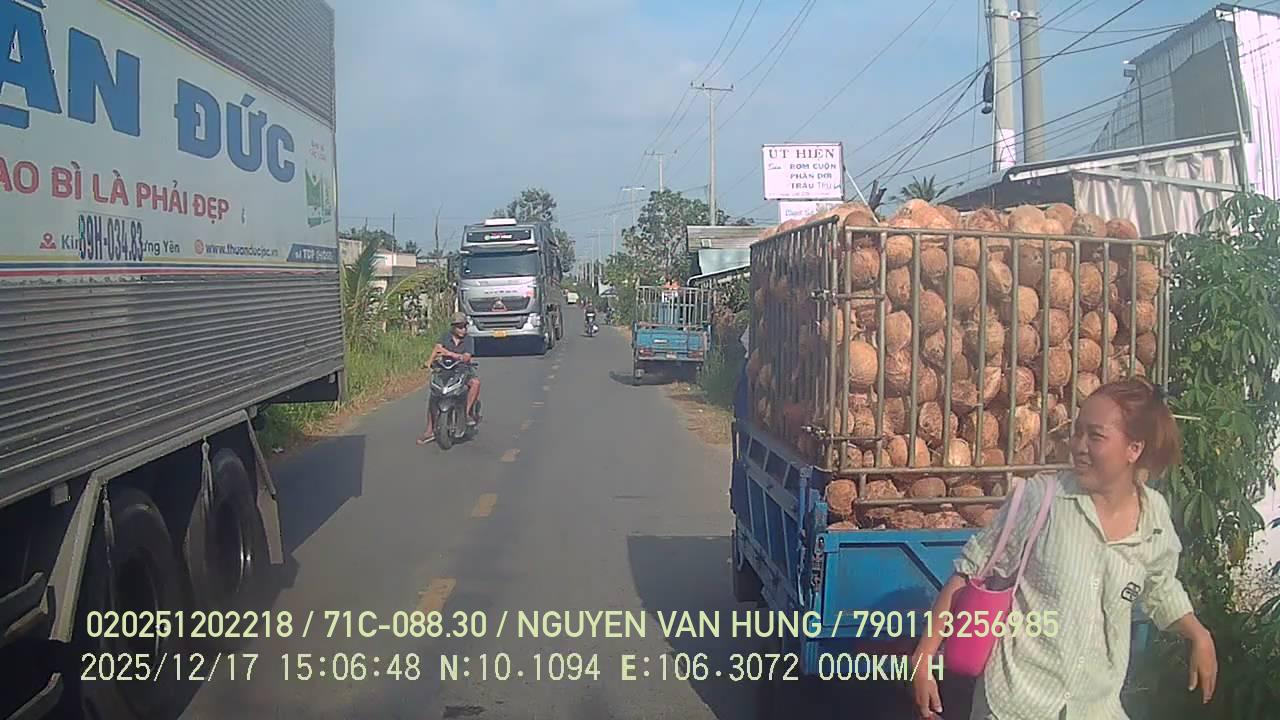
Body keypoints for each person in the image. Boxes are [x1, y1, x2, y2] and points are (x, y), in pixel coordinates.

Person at [911, 377, 1218, 720]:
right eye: (1077, 432)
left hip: (1096, 708)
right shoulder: (1042, 499)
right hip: (1015, 704)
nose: (1079, 446)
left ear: (1134, 449)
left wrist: (1198, 634)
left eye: (1095, 436)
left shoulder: (1154, 517)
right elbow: (969, 573)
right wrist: (924, 657)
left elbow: (1161, 587)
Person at [418, 311, 480, 445]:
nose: (463, 329)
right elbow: (437, 348)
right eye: (459, 327)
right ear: (453, 327)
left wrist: (449, 353)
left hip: (463, 370)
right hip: (445, 370)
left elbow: (466, 357)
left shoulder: (469, 339)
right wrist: (429, 361)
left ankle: (466, 413)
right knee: (434, 395)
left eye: (464, 326)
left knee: (475, 383)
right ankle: (429, 430)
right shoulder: (445, 337)